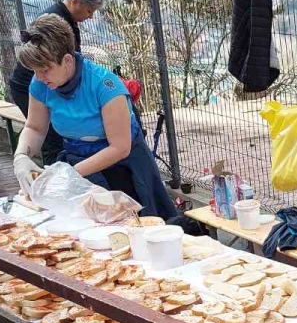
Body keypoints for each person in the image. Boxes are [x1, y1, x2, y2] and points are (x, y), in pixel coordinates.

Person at [13, 14, 177, 219]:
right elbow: (35, 128)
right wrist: (21, 156)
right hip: (77, 164)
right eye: (35, 71)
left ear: (67, 60)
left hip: (122, 168)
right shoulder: (40, 84)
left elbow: (120, 147)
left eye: (45, 70)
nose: (38, 77)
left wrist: (69, 174)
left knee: (131, 225)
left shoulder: (105, 85)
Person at [8, 0, 104, 166]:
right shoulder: (55, 19)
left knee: (58, 135)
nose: (91, 17)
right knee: (52, 137)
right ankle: (52, 175)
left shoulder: (66, 19)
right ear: (76, 2)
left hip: (52, 84)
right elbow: (35, 128)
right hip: (32, 86)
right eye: (90, 10)